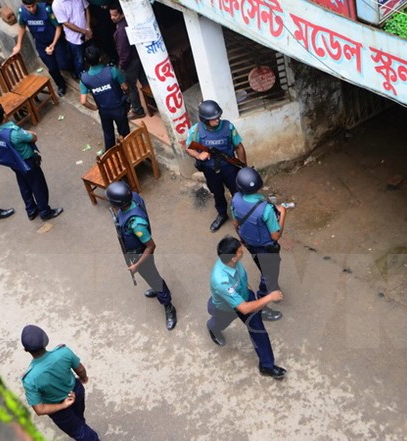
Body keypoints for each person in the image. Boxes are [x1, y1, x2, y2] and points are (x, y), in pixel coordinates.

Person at [208, 235, 286, 379]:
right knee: (218, 323)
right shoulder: (221, 280)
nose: (242, 250)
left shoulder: (233, 262)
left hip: (243, 296)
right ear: (233, 258)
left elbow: (241, 279)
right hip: (227, 308)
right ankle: (212, 327)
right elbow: (243, 308)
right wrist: (269, 297)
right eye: (239, 250)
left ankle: (266, 366)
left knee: (259, 332)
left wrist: (249, 291)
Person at [106, 181, 177, 330]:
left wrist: (137, 265)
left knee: (154, 278)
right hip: (134, 251)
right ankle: (156, 289)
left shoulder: (136, 224)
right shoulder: (133, 198)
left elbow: (151, 246)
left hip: (141, 253)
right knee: (150, 277)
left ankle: (168, 305)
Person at [0, 102, 63, 221]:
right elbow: (33, 137)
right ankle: (45, 211)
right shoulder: (14, 133)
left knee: (24, 185)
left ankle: (31, 210)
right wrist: (30, 133)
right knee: (38, 186)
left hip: (14, 162)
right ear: (4, 115)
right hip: (27, 162)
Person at [20, 324, 100, 441]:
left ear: (26, 350)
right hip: (76, 391)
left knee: (80, 432)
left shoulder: (29, 379)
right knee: (79, 416)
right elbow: (81, 369)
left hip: (58, 408)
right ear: (45, 340)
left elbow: (40, 409)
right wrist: (84, 378)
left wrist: (63, 405)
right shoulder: (63, 352)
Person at [231, 167, 285, 322]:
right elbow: (275, 235)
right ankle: (262, 306)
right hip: (266, 248)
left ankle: (272, 285)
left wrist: (242, 238)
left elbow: (236, 223)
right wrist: (283, 214)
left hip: (248, 243)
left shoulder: (235, 199)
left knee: (262, 266)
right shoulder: (266, 209)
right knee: (268, 276)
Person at [185, 100, 247, 232]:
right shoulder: (196, 130)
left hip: (229, 166)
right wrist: (198, 155)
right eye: (213, 119)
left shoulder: (228, 127)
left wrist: (243, 167)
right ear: (205, 120)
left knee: (237, 192)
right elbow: (189, 148)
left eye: (218, 117)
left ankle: (241, 216)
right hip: (210, 170)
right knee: (217, 193)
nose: (217, 120)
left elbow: (239, 147)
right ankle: (222, 214)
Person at [12, 0, 70, 96]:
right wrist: (18, 44)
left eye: (33, 6)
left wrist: (53, 44)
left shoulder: (46, 9)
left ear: (36, 2)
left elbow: (58, 27)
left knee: (63, 64)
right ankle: (61, 85)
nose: (31, 9)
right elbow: (22, 27)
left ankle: (71, 68)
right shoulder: (22, 12)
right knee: (52, 68)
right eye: (28, 7)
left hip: (55, 40)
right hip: (41, 43)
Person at [80, 45, 129, 150]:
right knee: (125, 134)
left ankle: (110, 157)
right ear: (100, 58)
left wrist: (95, 108)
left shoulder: (84, 78)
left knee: (108, 135)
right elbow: (125, 87)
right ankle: (131, 156)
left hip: (104, 111)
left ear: (86, 60)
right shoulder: (112, 71)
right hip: (119, 108)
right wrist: (126, 94)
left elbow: (83, 101)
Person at [110, 4, 146, 120]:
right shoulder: (129, 22)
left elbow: (124, 53)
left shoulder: (121, 31)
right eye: (111, 15)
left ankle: (137, 110)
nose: (112, 17)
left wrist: (122, 67)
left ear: (122, 14)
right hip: (138, 57)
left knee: (130, 87)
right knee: (145, 81)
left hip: (130, 62)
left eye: (115, 15)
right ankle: (153, 102)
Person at [52, 0, 91, 79]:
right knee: (79, 61)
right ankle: (83, 80)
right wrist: (84, 32)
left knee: (92, 54)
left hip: (87, 33)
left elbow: (86, 9)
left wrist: (88, 28)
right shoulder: (57, 4)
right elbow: (66, 23)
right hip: (74, 38)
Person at [88, 0, 118, 65]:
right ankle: (113, 56)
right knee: (104, 37)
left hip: (111, 8)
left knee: (115, 32)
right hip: (96, 11)